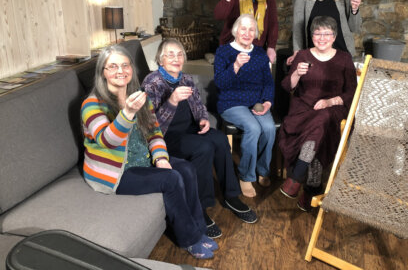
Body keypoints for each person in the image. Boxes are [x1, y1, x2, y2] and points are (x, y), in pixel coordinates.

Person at [81, 45, 218, 259]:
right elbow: (108, 140)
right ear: (103, 72)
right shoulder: (91, 105)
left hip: (143, 161)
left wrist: (161, 158)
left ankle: (198, 231)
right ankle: (189, 240)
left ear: (132, 70)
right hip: (116, 174)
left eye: (125, 65)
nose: (120, 70)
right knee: (171, 179)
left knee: (187, 169)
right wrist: (127, 113)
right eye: (113, 66)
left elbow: (154, 133)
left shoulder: (140, 97)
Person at [142, 38, 258, 239]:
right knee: (203, 148)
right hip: (165, 138)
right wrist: (172, 100)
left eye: (180, 54)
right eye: (170, 54)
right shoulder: (152, 83)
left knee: (220, 139)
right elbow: (152, 126)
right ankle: (200, 207)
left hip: (190, 129)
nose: (176, 58)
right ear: (160, 60)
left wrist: (203, 119)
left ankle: (230, 196)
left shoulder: (185, 78)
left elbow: (198, 106)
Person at [279, 16, 357, 211]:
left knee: (322, 119)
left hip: (334, 109)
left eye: (327, 33)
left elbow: (352, 92)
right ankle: (311, 189)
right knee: (317, 129)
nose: (322, 37)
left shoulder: (344, 58)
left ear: (334, 36)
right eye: (317, 33)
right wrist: (296, 73)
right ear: (311, 35)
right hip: (303, 109)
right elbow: (287, 86)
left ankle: (297, 176)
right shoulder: (302, 55)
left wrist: (330, 101)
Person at [214, 14, 276, 198]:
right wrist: (235, 66)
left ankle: (262, 170)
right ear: (236, 31)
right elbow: (220, 83)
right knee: (253, 128)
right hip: (231, 102)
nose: (247, 33)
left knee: (269, 128)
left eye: (251, 29)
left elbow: (268, 82)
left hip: (256, 101)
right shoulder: (223, 52)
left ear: (255, 33)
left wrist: (267, 101)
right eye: (243, 29)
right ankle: (246, 176)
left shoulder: (259, 53)